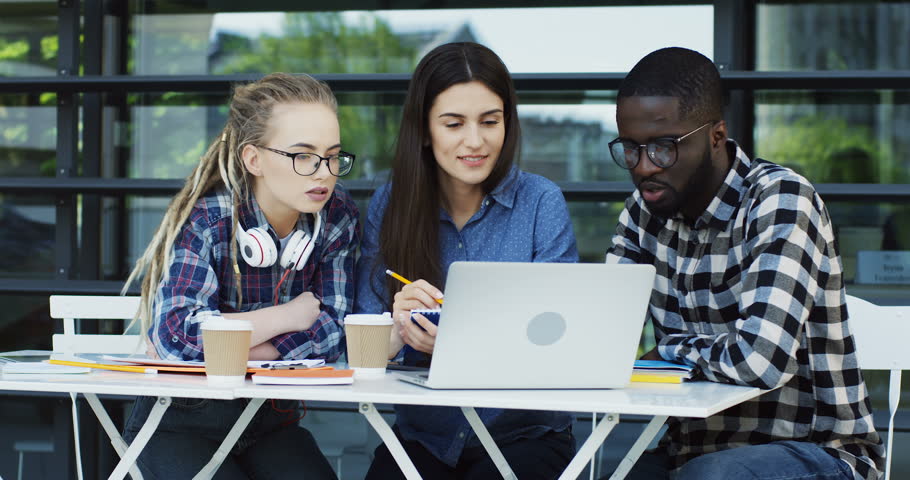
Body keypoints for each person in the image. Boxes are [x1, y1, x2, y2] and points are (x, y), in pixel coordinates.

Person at [604, 47, 884, 480]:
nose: (642, 167)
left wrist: (673, 350)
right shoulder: (643, 215)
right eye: (630, 148)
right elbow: (601, 343)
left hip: (817, 453)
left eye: (662, 148)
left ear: (715, 136)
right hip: (689, 452)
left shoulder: (781, 201)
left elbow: (761, 361)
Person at [355, 42, 579, 479]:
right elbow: (366, 350)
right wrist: (396, 330)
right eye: (454, 123)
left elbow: (560, 344)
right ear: (424, 129)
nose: (474, 141)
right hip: (425, 437)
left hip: (523, 434)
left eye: (490, 122)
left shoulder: (540, 203)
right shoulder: (391, 204)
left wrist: (462, 348)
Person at [121, 73, 359, 479]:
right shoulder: (209, 218)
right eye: (303, 156)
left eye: (333, 156)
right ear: (254, 159)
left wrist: (241, 353)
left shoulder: (336, 215)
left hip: (268, 422)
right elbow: (177, 334)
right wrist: (288, 316)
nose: (324, 172)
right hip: (179, 422)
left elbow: (335, 331)